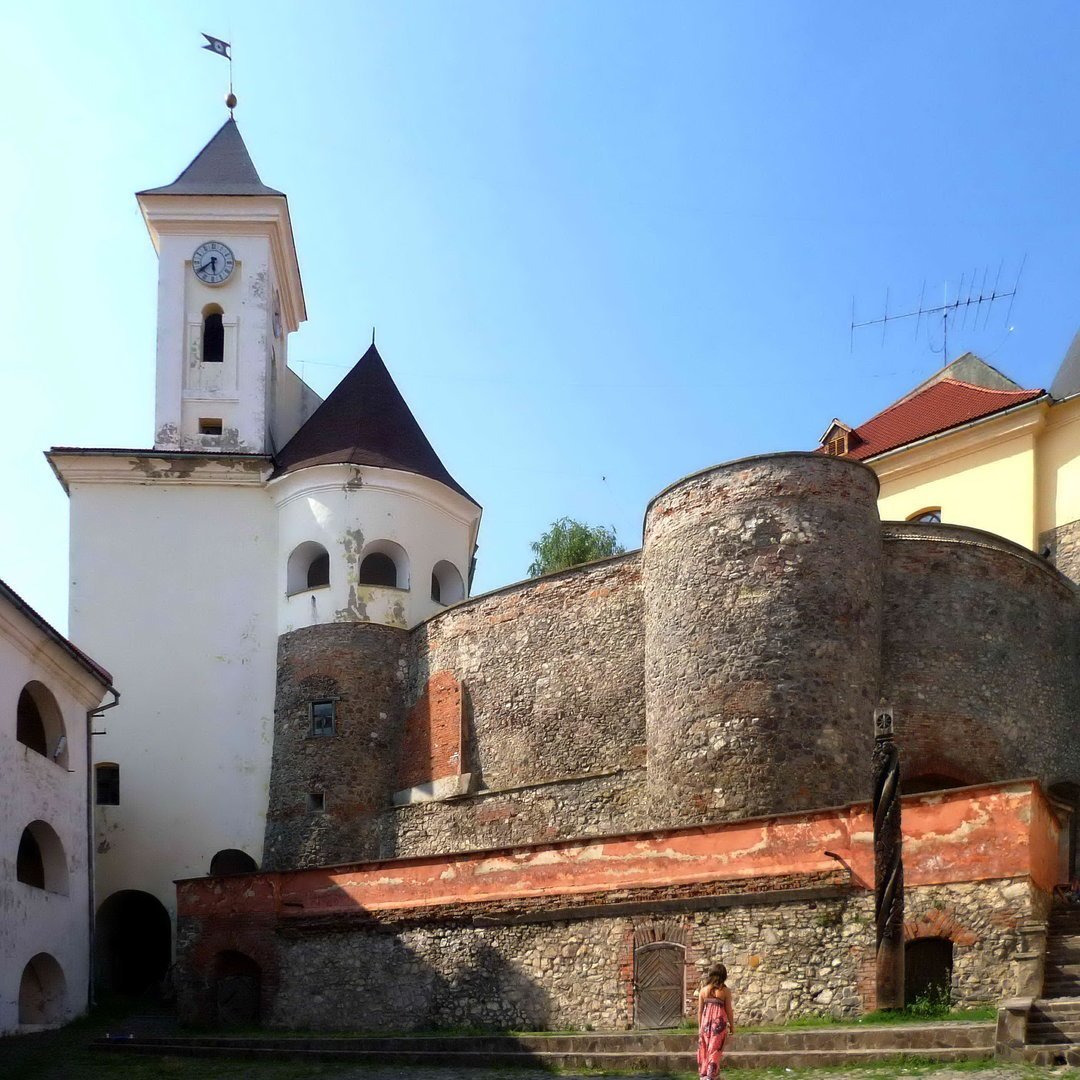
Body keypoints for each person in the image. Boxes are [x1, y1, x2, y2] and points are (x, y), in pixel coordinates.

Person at [697, 963, 733, 1078]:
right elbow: (729, 1010)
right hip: (719, 1025)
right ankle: (712, 1075)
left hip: (705, 1024)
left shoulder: (703, 991)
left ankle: (704, 1074)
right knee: (715, 1049)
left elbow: (700, 1011)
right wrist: (732, 1025)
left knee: (705, 1048)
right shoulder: (725, 991)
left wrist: (700, 1027)